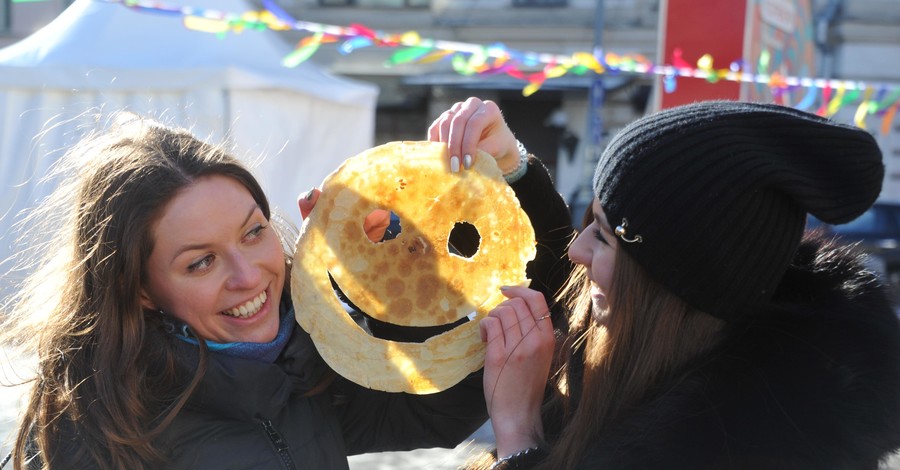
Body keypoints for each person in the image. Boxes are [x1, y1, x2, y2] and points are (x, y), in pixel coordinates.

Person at [0, 98, 573, 469]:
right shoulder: (93, 435)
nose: (250, 276)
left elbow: (447, 398)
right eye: (201, 262)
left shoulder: (294, 371)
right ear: (140, 289)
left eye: (253, 233)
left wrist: (510, 172)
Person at [469, 100, 900, 469]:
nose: (576, 251)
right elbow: (566, 288)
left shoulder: (738, 449)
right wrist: (514, 169)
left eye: (601, 233)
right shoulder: (681, 344)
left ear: (667, 280)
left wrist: (518, 435)